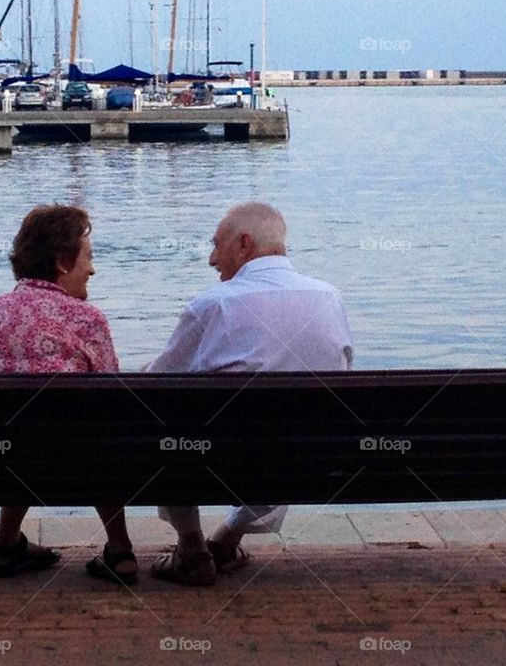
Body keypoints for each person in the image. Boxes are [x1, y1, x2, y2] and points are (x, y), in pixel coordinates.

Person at [146, 202, 354, 586]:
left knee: (168, 421)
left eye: (216, 245)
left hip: (213, 460)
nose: (211, 258)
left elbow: (155, 386)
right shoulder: (329, 298)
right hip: (311, 461)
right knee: (302, 420)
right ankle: (227, 538)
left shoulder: (213, 304)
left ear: (244, 243)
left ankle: (192, 549)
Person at [0, 204, 138, 585]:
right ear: (62, 261)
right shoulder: (87, 319)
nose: (92, 269)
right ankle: (120, 550)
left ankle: (6, 543)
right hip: (74, 463)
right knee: (102, 431)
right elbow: (114, 399)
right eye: (88, 258)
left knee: (14, 429)